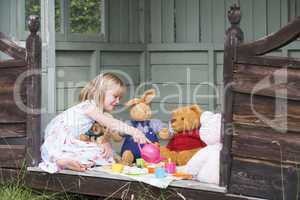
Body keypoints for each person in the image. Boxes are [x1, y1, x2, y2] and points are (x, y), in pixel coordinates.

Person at [39, 73, 149, 173]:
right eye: (115, 96)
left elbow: (97, 131)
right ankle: (62, 161)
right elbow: (110, 123)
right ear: (100, 93)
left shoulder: (96, 110)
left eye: (120, 98)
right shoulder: (89, 107)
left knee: (102, 153)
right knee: (101, 155)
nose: (118, 101)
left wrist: (104, 142)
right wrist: (134, 131)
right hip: (59, 139)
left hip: (68, 140)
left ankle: (69, 162)